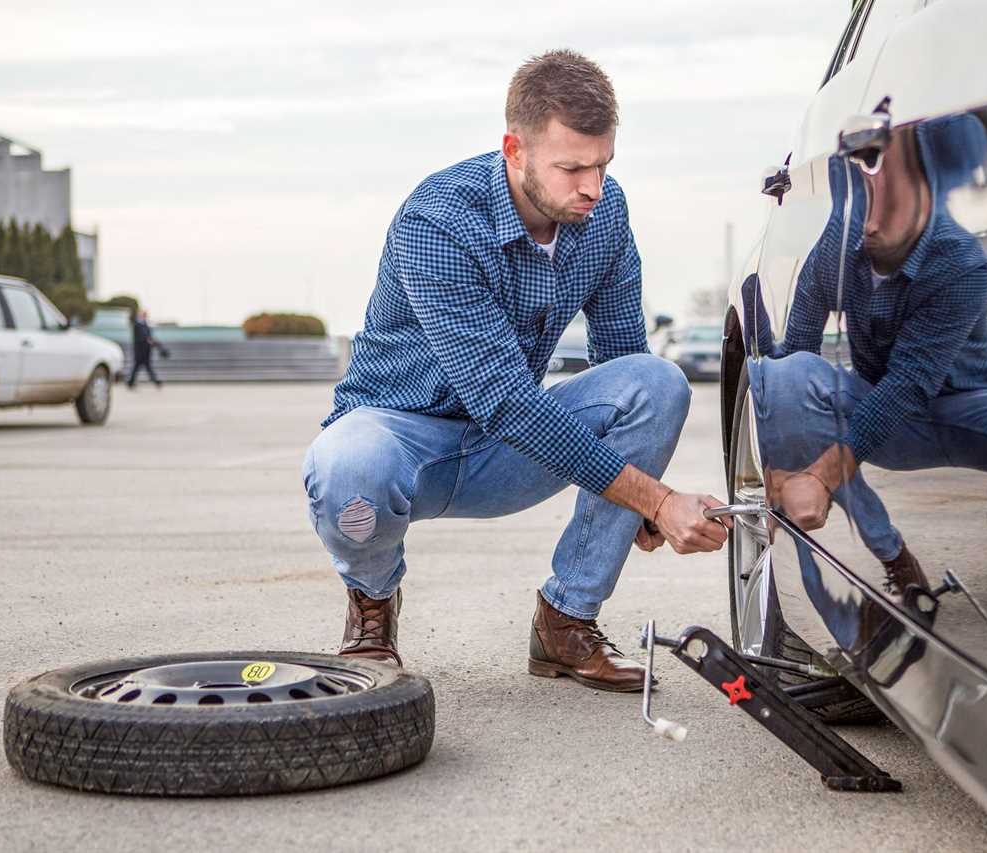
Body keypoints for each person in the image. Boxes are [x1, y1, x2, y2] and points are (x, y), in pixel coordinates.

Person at [302, 50, 731, 690]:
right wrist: (658, 500)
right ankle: (371, 608)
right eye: (572, 167)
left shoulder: (604, 213)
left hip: (504, 454)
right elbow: (501, 397)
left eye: (603, 164)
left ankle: (565, 623)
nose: (591, 186)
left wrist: (636, 498)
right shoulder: (439, 219)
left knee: (657, 382)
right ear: (515, 149)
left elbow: (622, 357)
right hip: (402, 441)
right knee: (347, 465)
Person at [755, 114, 987, 597]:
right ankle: (894, 555)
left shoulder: (959, 260)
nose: (869, 221)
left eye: (889, 198)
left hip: (968, 408)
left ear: (927, 193)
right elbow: (797, 361)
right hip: (884, 413)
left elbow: (911, 382)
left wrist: (823, 477)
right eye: (859, 189)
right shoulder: (837, 245)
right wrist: (782, 450)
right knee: (784, 377)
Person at [126, 310, 164, 389]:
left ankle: (131, 382)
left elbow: (149, 337)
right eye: (144, 315)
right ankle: (131, 382)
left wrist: (155, 343)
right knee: (138, 367)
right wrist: (149, 340)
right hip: (140, 351)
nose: (145, 316)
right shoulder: (137, 325)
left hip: (146, 351)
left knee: (142, 367)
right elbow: (142, 337)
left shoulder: (146, 324)